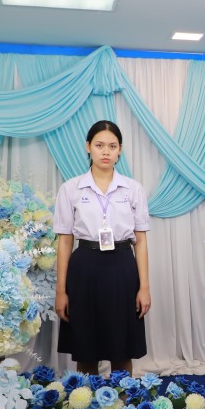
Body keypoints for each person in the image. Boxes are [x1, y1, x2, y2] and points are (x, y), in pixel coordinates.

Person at [53, 120, 151, 376]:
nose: (106, 152)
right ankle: (87, 400)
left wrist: (144, 287)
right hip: (84, 267)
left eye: (112, 146)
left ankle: (124, 399)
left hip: (122, 267)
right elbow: (65, 241)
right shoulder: (71, 189)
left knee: (122, 348)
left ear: (120, 150)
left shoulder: (133, 189)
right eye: (99, 145)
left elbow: (140, 241)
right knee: (86, 348)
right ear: (88, 147)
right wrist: (61, 291)